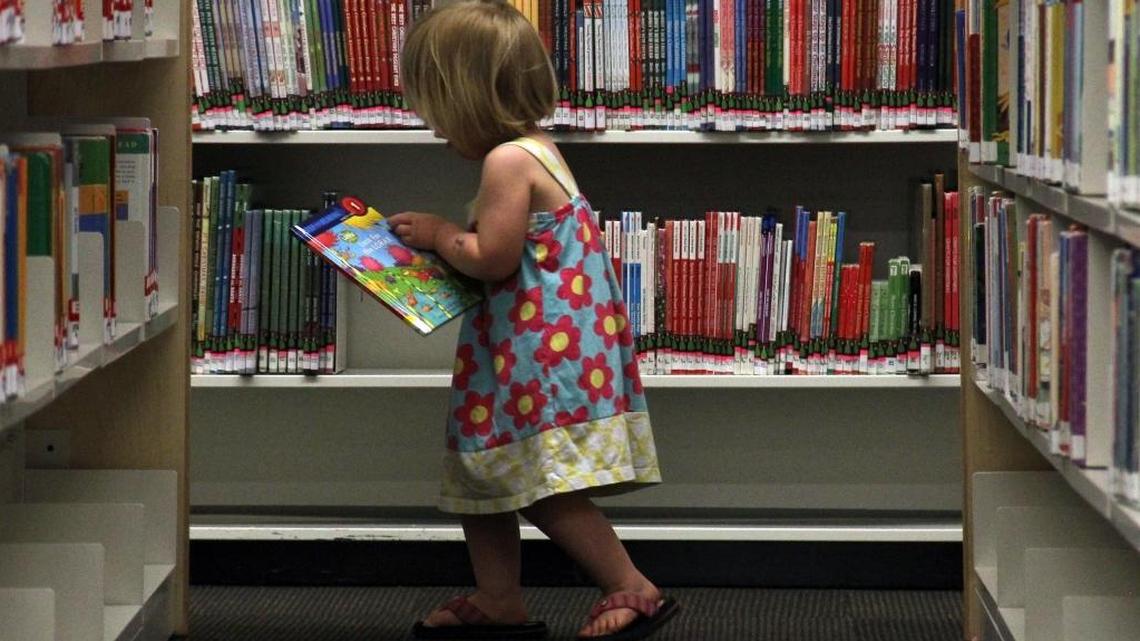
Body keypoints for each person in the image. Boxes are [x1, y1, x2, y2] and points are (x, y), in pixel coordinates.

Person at [385, 1, 678, 639]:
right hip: (517, 351)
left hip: (538, 360)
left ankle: (631, 585)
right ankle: (498, 600)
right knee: (482, 476)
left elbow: (494, 258)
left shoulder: (508, 162)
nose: (433, 128)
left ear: (468, 99)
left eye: (436, 111)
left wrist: (437, 233)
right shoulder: (536, 150)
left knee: (545, 485)